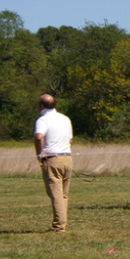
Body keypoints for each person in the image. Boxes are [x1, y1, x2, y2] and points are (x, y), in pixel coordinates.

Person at [33, 94, 73, 233]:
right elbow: (70, 140)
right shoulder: (65, 119)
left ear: (41, 106)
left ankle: (59, 226)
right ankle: (63, 222)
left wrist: (40, 155)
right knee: (63, 194)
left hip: (52, 158)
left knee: (55, 193)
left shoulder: (43, 120)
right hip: (67, 157)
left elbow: (39, 137)